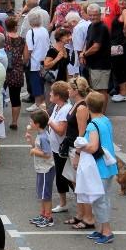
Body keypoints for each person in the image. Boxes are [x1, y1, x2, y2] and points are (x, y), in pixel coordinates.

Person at [75, 91, 118, 244]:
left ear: (88, 107)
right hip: (108, 166)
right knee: (103, 198)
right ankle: (101, 229)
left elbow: (93, 147)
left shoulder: (92, 125)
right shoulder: (105, 120)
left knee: (100, 200)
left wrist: (80, 146)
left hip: (98, 168)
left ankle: (106, 231)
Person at [62, 77, 95, 230]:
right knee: (75, 183)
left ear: (75, 90)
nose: (67, 91)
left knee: (81, 184)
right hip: (71, 147)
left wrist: (78, 154)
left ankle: (89, 217)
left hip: (77, 149)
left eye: (69, 88)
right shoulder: (75, 104)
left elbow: (82, 134)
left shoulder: (82, 108)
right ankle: (80, 213)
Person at [26, 109, 55, 228]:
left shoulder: (43, 137)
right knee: (41, 193)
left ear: (37, 124)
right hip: (41, 168)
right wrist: (31, 141)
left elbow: (47, 154)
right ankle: (43, 214)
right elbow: (38, 147)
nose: (29, 123)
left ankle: (48, 217)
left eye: (31, 121)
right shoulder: (40, 135)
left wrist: (33, 151)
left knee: (45, 194)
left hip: (46, 169)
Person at [80, 3, 111, 110]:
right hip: (92, 64)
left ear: (100, 14)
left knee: (101, 90)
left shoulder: (101, 27)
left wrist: (84, 54)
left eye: (95, 15)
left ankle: (101, 113)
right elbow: (87, 42)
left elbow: (96, 47)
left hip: (101, 64)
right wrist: (83, 55)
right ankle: (97, 111)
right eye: (91, 15)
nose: (93, 17)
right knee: (94, 89)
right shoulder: (91, 26)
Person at [47, 81, 72, 213]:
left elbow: (61, 130)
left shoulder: (65, 109)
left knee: (68, 177)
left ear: (58, 96)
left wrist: (48, 120)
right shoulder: (57, 107)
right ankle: (63, 203)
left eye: (52, 92)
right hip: (56, 148)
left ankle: (84, 204)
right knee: (61, 176)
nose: (50, 94)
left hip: (63, 149)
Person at [24, 11, 50, 112]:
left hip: (35, 62)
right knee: (43, 82)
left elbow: (29, 49)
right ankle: (43, 101)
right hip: (44, 60)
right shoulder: (44, 30)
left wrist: (25, 60)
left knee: (35, 83)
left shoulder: (31, 33)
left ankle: (38, 103)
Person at [4, 16, 26, 130]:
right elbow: (26, 57)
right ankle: (14, 121)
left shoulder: (3, 39)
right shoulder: (22, 40)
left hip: (4, 70)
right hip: (17, 71)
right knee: (15, 97)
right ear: (15, 27)